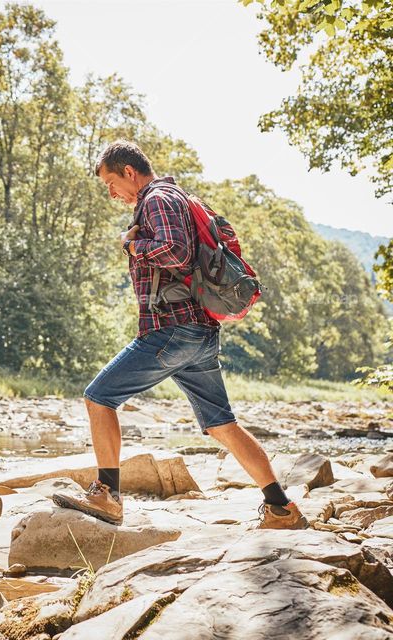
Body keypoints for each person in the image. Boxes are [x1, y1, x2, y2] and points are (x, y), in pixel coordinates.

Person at [52, 140, 308, 530]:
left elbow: (175, 252)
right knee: (223, 424)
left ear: (129, 172)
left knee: (99, 397)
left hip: (172, 330)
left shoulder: (156, 198)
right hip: (199, 332)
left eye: (110, 183)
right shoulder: (177, 197)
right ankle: (281, 508)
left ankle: (107, 495)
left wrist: (131, 244)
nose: (111, 193)